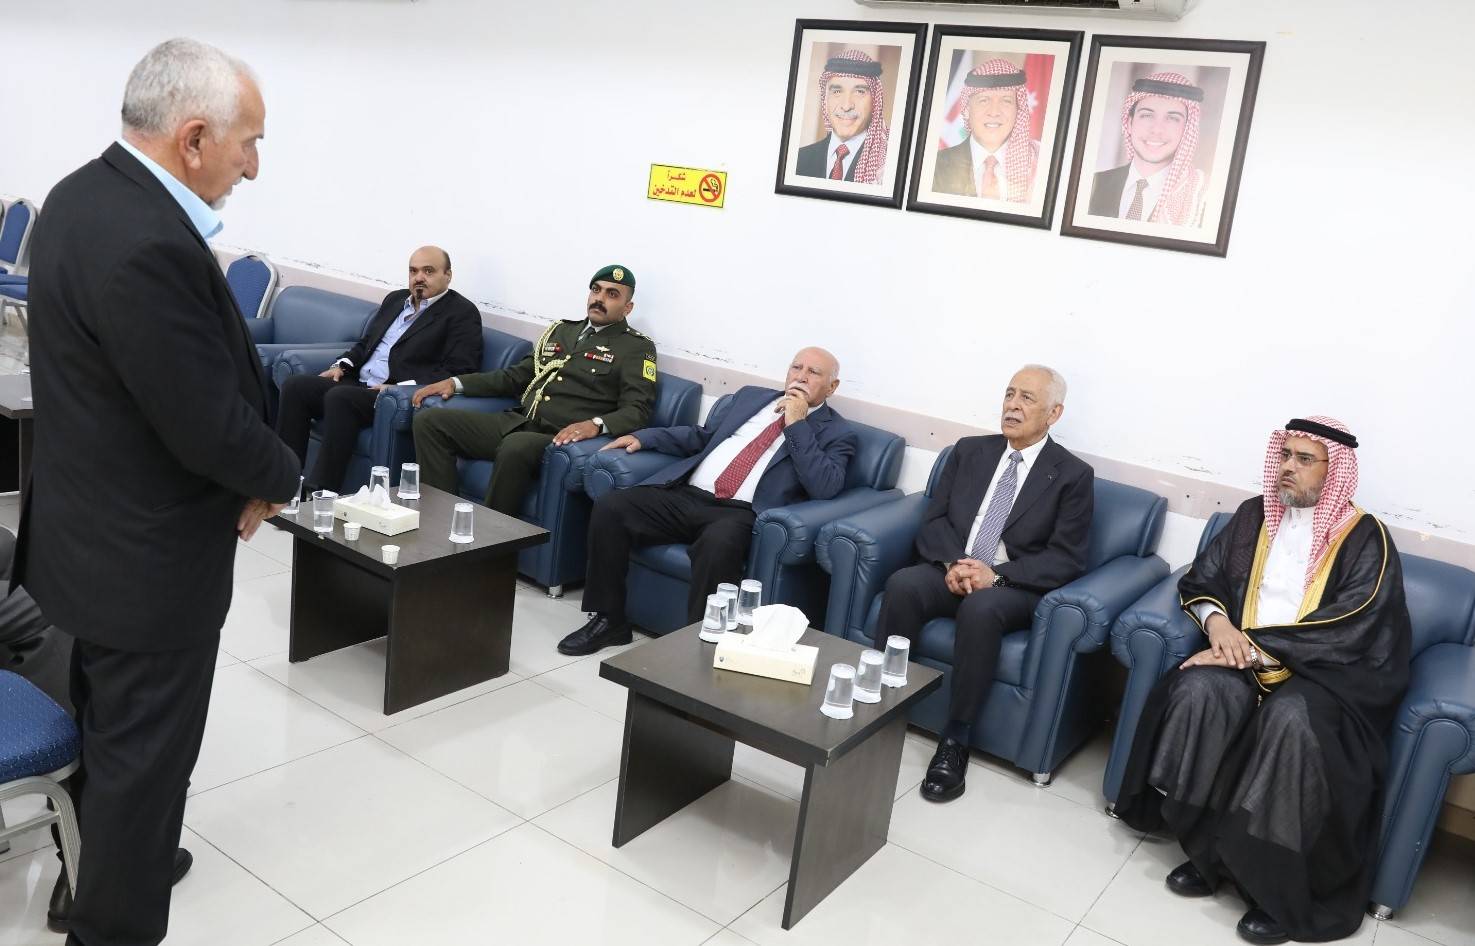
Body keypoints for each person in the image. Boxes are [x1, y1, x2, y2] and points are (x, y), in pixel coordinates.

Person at [15, 38, 301, 945]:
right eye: (249, 143)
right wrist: (281, 478)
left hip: (84, 539)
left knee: (108, 736)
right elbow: (205, 424)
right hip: (144, 568)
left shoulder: (79, 195)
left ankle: (101, 867)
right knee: (144, 764)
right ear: (193, 138)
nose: (252, 166)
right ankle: (108, 917)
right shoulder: (148, 244)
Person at [1114, 417, 1410, 946]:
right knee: (1199, 691)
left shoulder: (1367, 536)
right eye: (1285, 455)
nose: (1288, 467)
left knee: (1289, 720)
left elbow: (1354, 621)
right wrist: (1218, 626)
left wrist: (1255, 649)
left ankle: (1271, 883)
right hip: (1242, 655)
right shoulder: (1255, 515)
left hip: (1325, 674)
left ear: (1335, 471)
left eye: (1304, 459)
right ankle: (1205, 850)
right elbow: (1203, 578)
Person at [874, 365, 1093, 803]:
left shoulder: (1072, 475)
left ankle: (956, 739)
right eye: (1010, 394)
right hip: (953, 566)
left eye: (1027, 398)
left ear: (1054, 413)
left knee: (981, 607)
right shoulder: (969, 451)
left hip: (1012, 585)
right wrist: (954, 563)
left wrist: (996, 576)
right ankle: (880, 704)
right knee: (903, 585)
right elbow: (934, 518)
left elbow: (1065, 558)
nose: (1013, 405)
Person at [559, 347, 856, 656]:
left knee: (718, 545)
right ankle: (609, 620)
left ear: (832, 387)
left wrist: (797, 423)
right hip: (686, 494)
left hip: (739, 513)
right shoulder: (752, 398)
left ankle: (701, 646)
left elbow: (824, 486)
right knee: (611, 508)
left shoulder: (838, 433)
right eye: (797, 367)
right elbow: (703, 436)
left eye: (813, 372)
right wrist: (646, 438)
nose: (801, 377)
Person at [411, 264, 655, 516]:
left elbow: (637, 410)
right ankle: (440, 518)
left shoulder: (636, 348)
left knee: (516, 446)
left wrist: (595, 425)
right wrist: (456, 383)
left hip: (558, 438)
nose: (599, 299)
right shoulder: (562, 330)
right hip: (519, 422)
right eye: (596, 290)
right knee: (430, 421)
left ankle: (490, 537)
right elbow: (516, 376)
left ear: (627, 308)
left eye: (612, 294)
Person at [275, 245, 481, 492]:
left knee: (340, 397)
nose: (419, 277)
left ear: (448, 275)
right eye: (413, 271)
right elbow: (366, 343)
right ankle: (282, 483)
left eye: (428, 271)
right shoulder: (396, 300)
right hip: (358, 382)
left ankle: (321, 492)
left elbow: (460, 369)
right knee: (296, 386)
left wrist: (399, 388)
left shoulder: (461, 313)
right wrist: (341, 365)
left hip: (392, 395)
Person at [1087, 71, 1208, 226]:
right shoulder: (1092, 184)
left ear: (1187, 130)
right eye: (1147, 115)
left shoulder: (1199, 200)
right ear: (1129, 123)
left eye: (1172, 118)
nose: (1156, 130)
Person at [932, 58, 1040, 202]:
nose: (994, 112)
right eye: (983, 100)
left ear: (1018, 110)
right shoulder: (935, 166)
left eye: (1006, 101)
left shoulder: (1038, 165)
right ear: (967, 109)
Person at [795, 50, 891, 184]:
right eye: (837, 91)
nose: (846, 106)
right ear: (825, 99)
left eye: (859, 92)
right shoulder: (799, 159)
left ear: (875, 100)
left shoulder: (887, 165)